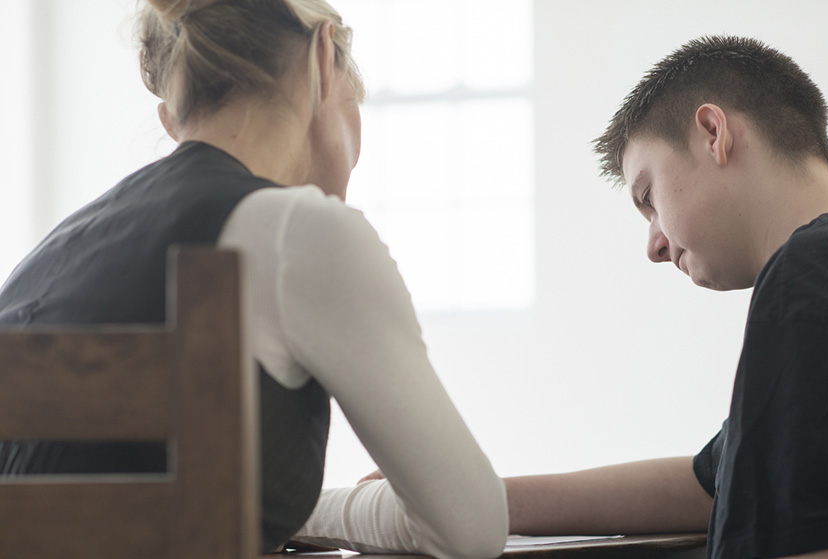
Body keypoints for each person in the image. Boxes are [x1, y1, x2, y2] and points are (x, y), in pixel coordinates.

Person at [0, 0, 506, 556]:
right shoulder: (301, 232)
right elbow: (470, 530)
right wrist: (320, 510)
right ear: (320, 58)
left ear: (174, 117)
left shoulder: (49, 257)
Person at [499, 35, 828, 559]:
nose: (653, 245)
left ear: (712, 134)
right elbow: (709, 483)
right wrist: (485, 503)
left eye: (649, 198)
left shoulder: (815, 276)